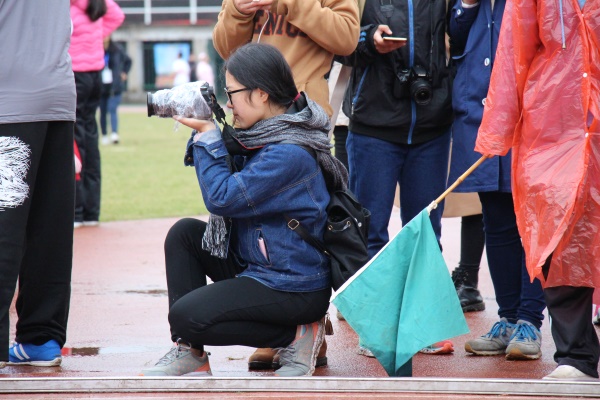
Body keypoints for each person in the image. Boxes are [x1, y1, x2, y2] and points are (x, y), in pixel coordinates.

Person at [141, 43, 348, 377]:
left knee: (187, 316)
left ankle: (297, 336)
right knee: (185, 235)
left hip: (293, 284)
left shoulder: (288, 154)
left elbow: (223, 197)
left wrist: (209, 135)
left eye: (232, 92)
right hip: (261, 263)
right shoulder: (259, 135)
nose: (228, 102)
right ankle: (189, 352)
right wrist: (216, 131)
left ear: (261, 94)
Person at [212, 0, 360, 370]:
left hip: (300, 112)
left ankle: (310, 326)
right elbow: (226, 46)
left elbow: (346, 38)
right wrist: (239, 10)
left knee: (299, 223)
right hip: (251, 111)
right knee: (252, 215)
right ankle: (277, 328)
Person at [476, 0, 600, 381]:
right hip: (551, 122)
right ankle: (576, 355)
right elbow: (514, 48)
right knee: (560, 235)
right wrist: (498, 128)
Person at [337, 0, 453, 356]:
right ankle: (378, 327)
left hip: (432, 123)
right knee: (369, 229)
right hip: (374, 124)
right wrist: (368, 39)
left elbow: (464, 36)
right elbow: (338, 44)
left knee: (425, 230)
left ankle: (423, 326)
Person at [448, 0, 546, 361]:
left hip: (528, 117)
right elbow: (455, 40)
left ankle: (529, 321)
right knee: (496, 221)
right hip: (478, 114)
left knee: (531, 223)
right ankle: (507, 319)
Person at [0, 0, 76, 367]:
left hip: (8, 98)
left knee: (5, 227)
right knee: (49, 225)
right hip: (56, 94)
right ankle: (41, 337)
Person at [70, 0, 124, 228]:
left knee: (74, 139)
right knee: (91, 138)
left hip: (74, 73)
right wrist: (96, 36)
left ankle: (77, 211)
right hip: (95, 74)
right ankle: (92, 211)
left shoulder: (68, 8)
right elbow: (117, 15)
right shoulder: (97, 5)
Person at [99, 36, 132, 145]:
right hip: (101, 86)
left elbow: (128, 61)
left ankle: (114, 133)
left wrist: (124, 72)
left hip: (115, 86)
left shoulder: (117, 49)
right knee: (102, 111)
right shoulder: (96, 49)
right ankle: (104, 134)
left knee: (112, 109)